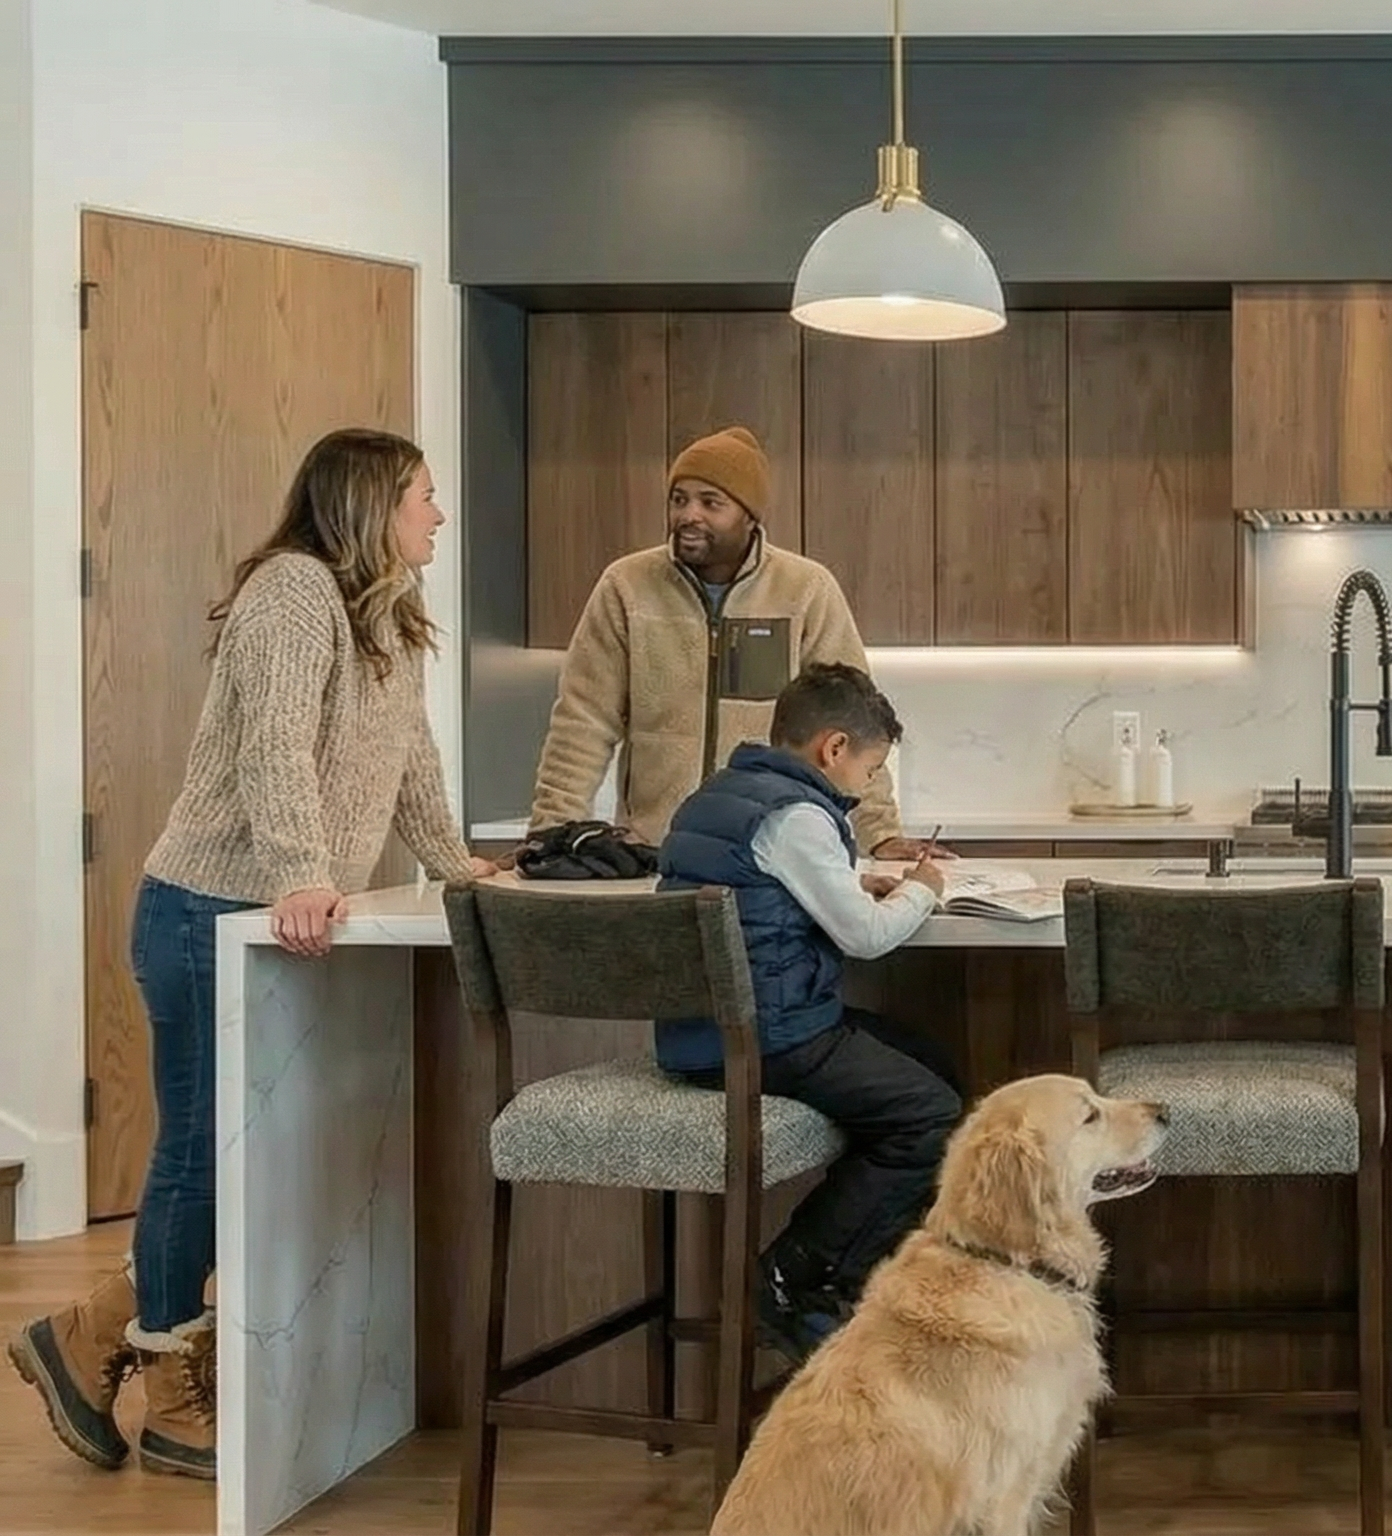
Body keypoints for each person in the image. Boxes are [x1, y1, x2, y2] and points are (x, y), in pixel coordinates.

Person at [7, 429, 497, 1480]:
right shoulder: (291, 592)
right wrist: (301, 873)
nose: (438, 515)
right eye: (424, 495)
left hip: (273, 912)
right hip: (204, 908)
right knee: (201, 1149)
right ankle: (177, 1388)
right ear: (372, 504)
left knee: (248, 1154)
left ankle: (92, 1331)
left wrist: (456, 864)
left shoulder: (392, 621)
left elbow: (410, 760)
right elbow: (275, 741)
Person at [654, 661, 965, 1360]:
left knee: (928, 1063)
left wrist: (854, 879)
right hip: (772, 1036)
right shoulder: (799, 814)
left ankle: (843, 1284)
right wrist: (922, 888)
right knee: (933, 1115)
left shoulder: (723, 794)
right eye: (871, 767)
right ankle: (795, 1280)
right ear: (833, 750)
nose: (866, 785)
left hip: (704, 1033)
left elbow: (765, 881)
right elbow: (867, 938)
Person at [527, 426, 926, 857]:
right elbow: (583, 722)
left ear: (750, 516)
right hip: (659, 853)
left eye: (710, 502)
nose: (688, 515)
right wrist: (549, 834)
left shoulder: (805, 589)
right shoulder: (626, 587)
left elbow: (852, 721)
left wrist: (880, 833)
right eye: (679, 499)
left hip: (774, 852)